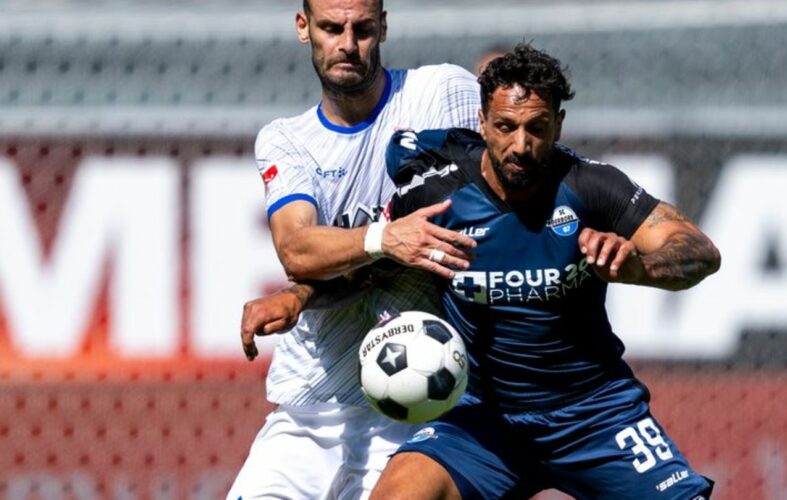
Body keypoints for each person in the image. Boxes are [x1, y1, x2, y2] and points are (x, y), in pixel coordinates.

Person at [247, 43, 720, 498]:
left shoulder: (590, 187)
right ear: (481, 123)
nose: (521, 144)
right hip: (480, 423)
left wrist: (638, 265)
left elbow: (699, 250)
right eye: (505, 126)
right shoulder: (435, 196)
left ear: (558, 124)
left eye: (536, 127)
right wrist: (298, 297)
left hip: (593, 415)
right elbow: (373, 265)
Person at [226, 0, 482, 498]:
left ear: (383, 26)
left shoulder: (442, 93)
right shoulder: (287, 141)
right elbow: (297, 249)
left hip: (420, 405)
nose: (347, 44)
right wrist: (382, 241)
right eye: (331, 27)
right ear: (303, 28)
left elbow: (496, 197)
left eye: (362, 28)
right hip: (310, 406)